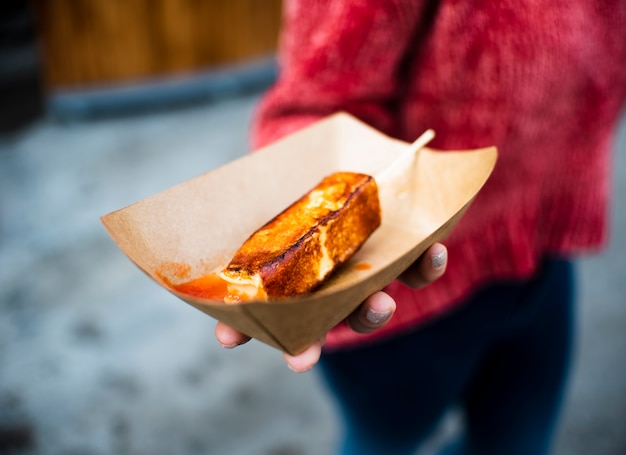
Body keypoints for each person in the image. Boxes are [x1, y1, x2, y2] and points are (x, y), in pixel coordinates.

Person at [215, 1, 626, 454]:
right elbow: (311, 106)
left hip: (544, 255)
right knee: (383, 443)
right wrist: (312, 235)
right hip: (402, 305)